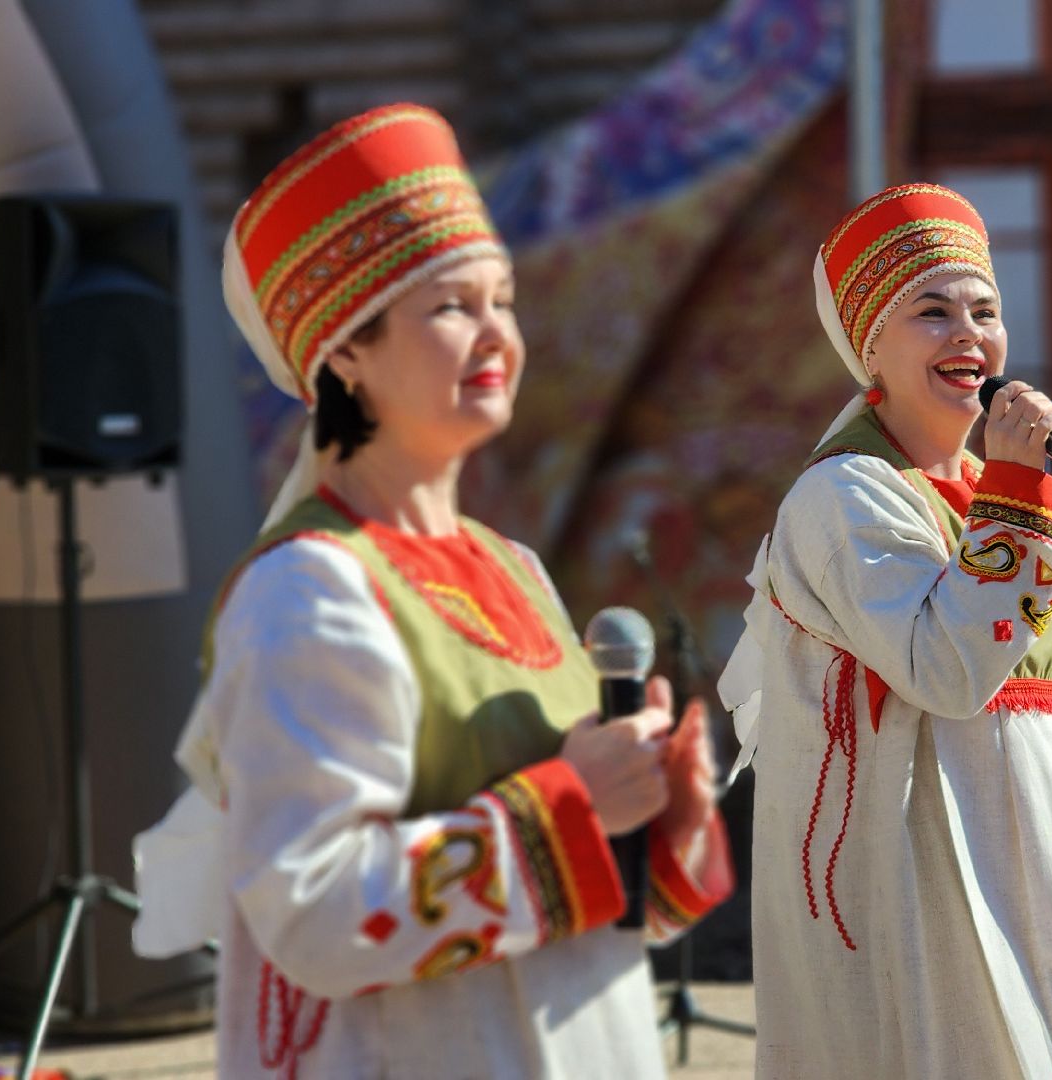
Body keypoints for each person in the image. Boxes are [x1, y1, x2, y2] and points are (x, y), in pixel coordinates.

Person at [130, 103, 732, 1079]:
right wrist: (574, 805)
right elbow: (316, 910)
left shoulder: (516, 571)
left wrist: (658, 822)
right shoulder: (308, 595)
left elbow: (582, 905)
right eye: (450, 307)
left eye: (502, 300)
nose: (496, 335)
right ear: (345, 355)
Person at [719, 183, 1052, 1079]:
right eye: (932, 312)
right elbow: (946, 670)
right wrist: (1014, 492)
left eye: (985, 310)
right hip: (925, 839)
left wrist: (1004, 488)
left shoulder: (980, 481)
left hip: (1035, 812)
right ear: (871, 350)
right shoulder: (844, 494)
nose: (969, 333)